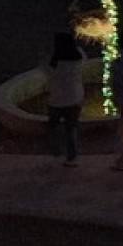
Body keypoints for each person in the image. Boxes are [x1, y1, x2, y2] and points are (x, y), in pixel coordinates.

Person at [45, 32, 84, 167]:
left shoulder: (52, 61)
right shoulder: (79, 57)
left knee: (53, 127)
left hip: (55, 99)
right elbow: (81, 53)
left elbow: (44, 71)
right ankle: (72, 157)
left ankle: (56, 152)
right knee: (71, 129)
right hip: (74, 98)